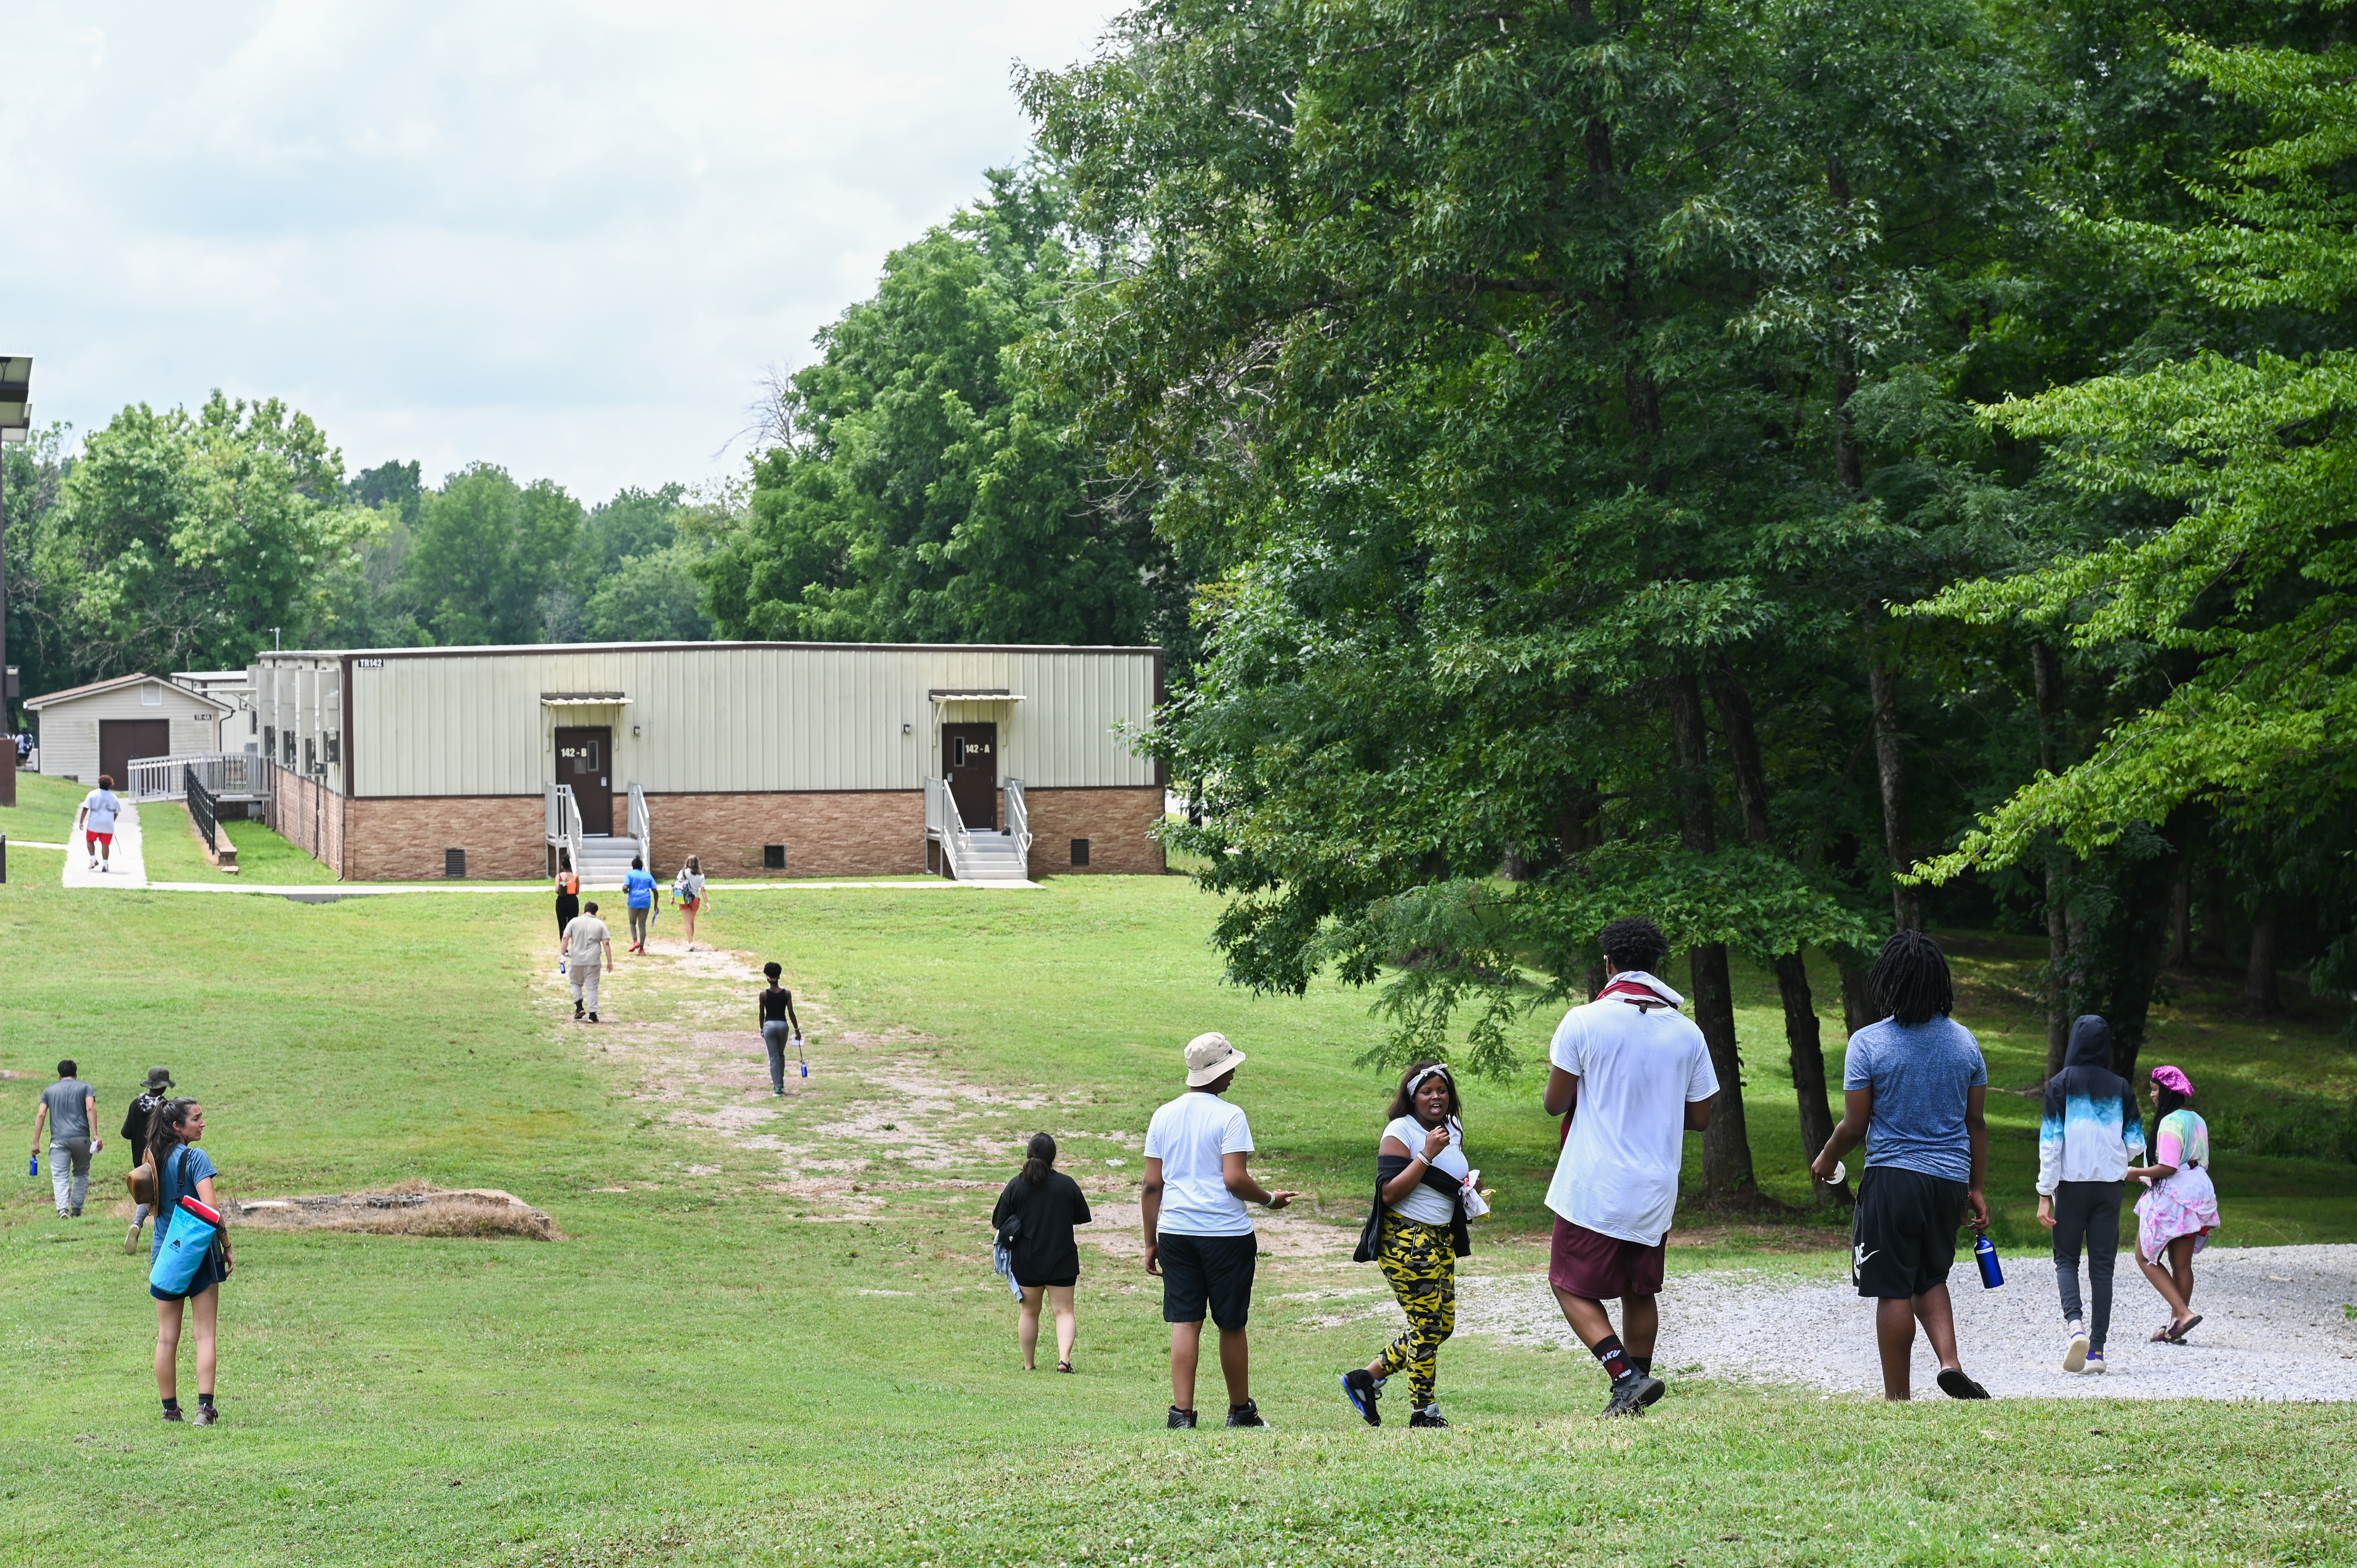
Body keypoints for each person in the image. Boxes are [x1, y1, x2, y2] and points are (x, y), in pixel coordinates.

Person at [1540, 917, 1718, 1418]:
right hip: (1655, 1183)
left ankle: (1625, 1376)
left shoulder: (1583, 1020)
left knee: (1566, 1281)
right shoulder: (1687, 1031)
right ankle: (1631, 1399)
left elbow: (1556, 1103)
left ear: (1608, 964)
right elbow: (1701, 1116)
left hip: (1595, 1180)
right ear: (1657, 966)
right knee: (1637, 1288)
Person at [1810, 930, 1993, 1401]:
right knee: (1929, 1277)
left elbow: (1854, 1125)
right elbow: (1975, 1123)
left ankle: (1897, 1399)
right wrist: (1975, 1187)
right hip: (1949, 1179)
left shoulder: (1869, 1043)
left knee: (1892, 1285)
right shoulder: (1964, 1043)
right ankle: (1950, 1362)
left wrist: (1828, 1156)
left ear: (1888, 981)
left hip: (1893, 1176)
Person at [1141, 1032, 1297, 1429]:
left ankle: (1182, 1414)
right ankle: (1240, 1411)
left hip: (1176, 1231)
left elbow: (1151, 1185)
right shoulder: (1230, 1116)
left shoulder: (1163, 1114)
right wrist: (1268, 1199)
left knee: (1185, 1320)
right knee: (1230, 1322)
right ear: (1220, 1070)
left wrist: (1150, 1240)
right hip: (1226, 1233)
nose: (1234, 1073)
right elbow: (1233, 1179)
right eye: (1231, 1067)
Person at [1341, 1061, 1474, 1429]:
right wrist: (1427, 1154)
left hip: (1440, 1237)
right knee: (1428, 1325)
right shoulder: (1400, 1131)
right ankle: (1423, 1412)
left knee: (1441, 1325)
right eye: (1427, 1091)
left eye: (1442, 1090)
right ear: (1412, 1096)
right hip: (1406, 1239)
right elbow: (1389, 1192)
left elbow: (1448, 1179)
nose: (1436, 1097)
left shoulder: (1452, 1129)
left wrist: (1470, 1192)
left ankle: (1365, 1379)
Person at [2036, 1014, 2145, 1375]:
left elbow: (2051, 1144)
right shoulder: (2121, 1087)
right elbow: (2135, 1146)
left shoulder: (2061, 1084)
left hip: (2070, 1186)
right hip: (2110, 1188)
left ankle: (2076, 1327)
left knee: (2066, 1259)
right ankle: (2097, 1351)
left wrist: (2044, 1192)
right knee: (2103, 1267)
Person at [149, 1096, 229, 1424]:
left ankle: (170, 1410)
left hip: (165, 1256)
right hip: (198, 1256)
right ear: (178, 1126)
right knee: (205, 1334)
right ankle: (205, 1410)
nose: (203, 1123)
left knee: (167, 1337)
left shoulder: (152, 1159)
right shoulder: (196, 1159)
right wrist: (227, 1244)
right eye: (197, 1118)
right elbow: (211, 1211)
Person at [2131, 1064, 2218, 1345]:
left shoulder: (2170, 1122)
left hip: (2175, 1196)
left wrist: (2134, 1172)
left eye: (2155, 1090)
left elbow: (2168, 1167)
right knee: (2182, 1264)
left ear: (2168, 1092)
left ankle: (2183, 1312)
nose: (2152, 1095)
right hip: (2200, 1193)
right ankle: (2177, 1324)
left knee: (2145, 1256)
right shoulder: (2198, 1120)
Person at [992, 1133, 1093, 1373]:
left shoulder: (1016, 1186)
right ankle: (1064, 1360)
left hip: (1026, 1261)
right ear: (1053, 1156)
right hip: (1063, 1259)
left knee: (1029, 1311)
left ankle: (1029, 1365)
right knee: (1064, 1311)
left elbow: (998, 1222)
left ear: (1028, 1154)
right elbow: (1081, 1216)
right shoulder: (1067, 1184)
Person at [32, 1059, 103, 1218]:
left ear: (59, 1076)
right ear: (76, 1074)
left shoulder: (49, 1091)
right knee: (82, 1173)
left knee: (60, 1175)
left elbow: (42, 1114)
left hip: (58, 1140)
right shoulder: (86, 1087)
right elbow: (90, 1107)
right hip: (82, 1138)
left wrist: (36, 1142)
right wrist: (96, 1134)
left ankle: (63, 1210)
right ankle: (77, 1209)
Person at [122, 1066, 175, 1252]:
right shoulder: (166, 1108)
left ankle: (137, 1224)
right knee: (162, 1197)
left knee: (149, 1195)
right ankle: (162, 1235)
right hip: (161, 1158)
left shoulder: (136, 1104)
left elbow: (126, 1132)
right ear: (164, 1087)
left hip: (141, 1161)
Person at [561, 900, 615, 1022]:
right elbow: (606, 942)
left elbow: (565, 937)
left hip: (577, 960)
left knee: (575, 983)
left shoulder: (574, 921)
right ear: (596, 913)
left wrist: (563, 954)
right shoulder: (600, 924)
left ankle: (579, 1007)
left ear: (584, 911)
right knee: (592, 987)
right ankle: (593, 1015)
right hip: (593, 961)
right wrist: (610, 961)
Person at [757, 962, 804, 1095]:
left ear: (767, 977)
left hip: (770, 1026)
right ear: (779, 976)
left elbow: (762, 1014)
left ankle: (777, 1088)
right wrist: (797, 1030)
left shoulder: (764, 995)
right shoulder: (787, 993)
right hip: (783, 1026)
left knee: (773, 1058)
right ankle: (781, 1082)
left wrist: (762, 1029)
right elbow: (791, 1013)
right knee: (781, 1054)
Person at [76, 774, 123, 873]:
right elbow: (117, 811)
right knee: (105, 845)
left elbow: (85, 808)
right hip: (108, 824)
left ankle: (93, 859)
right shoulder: (113, 797)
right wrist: (112, 821)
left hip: (94, 823)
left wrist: (81, 822)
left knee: (90, 841)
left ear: (99, 783)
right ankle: (105, 865)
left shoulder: (92, 794)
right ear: (110, 785)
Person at [623, 856, 658, 953]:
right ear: (642, 867)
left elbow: (626, 887)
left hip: (634, 901)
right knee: (642, 925)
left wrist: (626, 891)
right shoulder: (648, 876)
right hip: (646, 901)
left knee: (632, 922)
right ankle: (642, 949)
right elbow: (655, 891)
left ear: (633, 866)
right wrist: (656, 905)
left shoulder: (629, 875)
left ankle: (635, 942)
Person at [675, 855, 709, 950]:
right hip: (696, 899)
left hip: (685, 898)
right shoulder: (701, 876)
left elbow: (678, 886)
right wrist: (707, 903)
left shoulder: (683, 872)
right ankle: (691, 941)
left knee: (687, 922)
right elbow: (703, 890)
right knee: (692, 921)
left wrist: (674, 898)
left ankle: (691, 942)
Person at [554, 850, 581, 938]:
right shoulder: (575, 877)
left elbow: (557, 890)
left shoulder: (559, 876)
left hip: (562, 900)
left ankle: (564, 948)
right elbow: (577, 892)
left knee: (562, 924)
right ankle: (575, 945)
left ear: (563, 866)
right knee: (573, 924)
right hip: (573, 901)